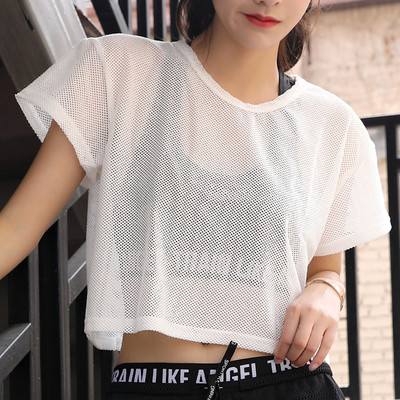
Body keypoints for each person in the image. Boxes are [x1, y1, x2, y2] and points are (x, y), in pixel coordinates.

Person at [0, 0, 391, 398]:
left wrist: (327, 290)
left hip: (288, 382)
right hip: (151, 388)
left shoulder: (331, 123)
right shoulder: (118, 70)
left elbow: (325, 271)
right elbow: (15, 228)